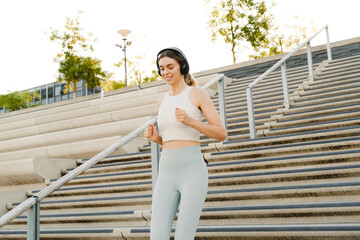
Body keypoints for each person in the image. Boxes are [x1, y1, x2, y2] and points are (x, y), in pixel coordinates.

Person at [144, 47, 227, 240]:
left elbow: (222, 133)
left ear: (182, 66)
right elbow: (170, 139)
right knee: (157, 237)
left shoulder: (197, 94)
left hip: (192, 172)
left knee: (184, 237)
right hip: (166, 172)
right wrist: (156, 138)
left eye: (170, 66)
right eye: (162, 68)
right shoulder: (161, 100)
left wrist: (191, 121)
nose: (166, 72)